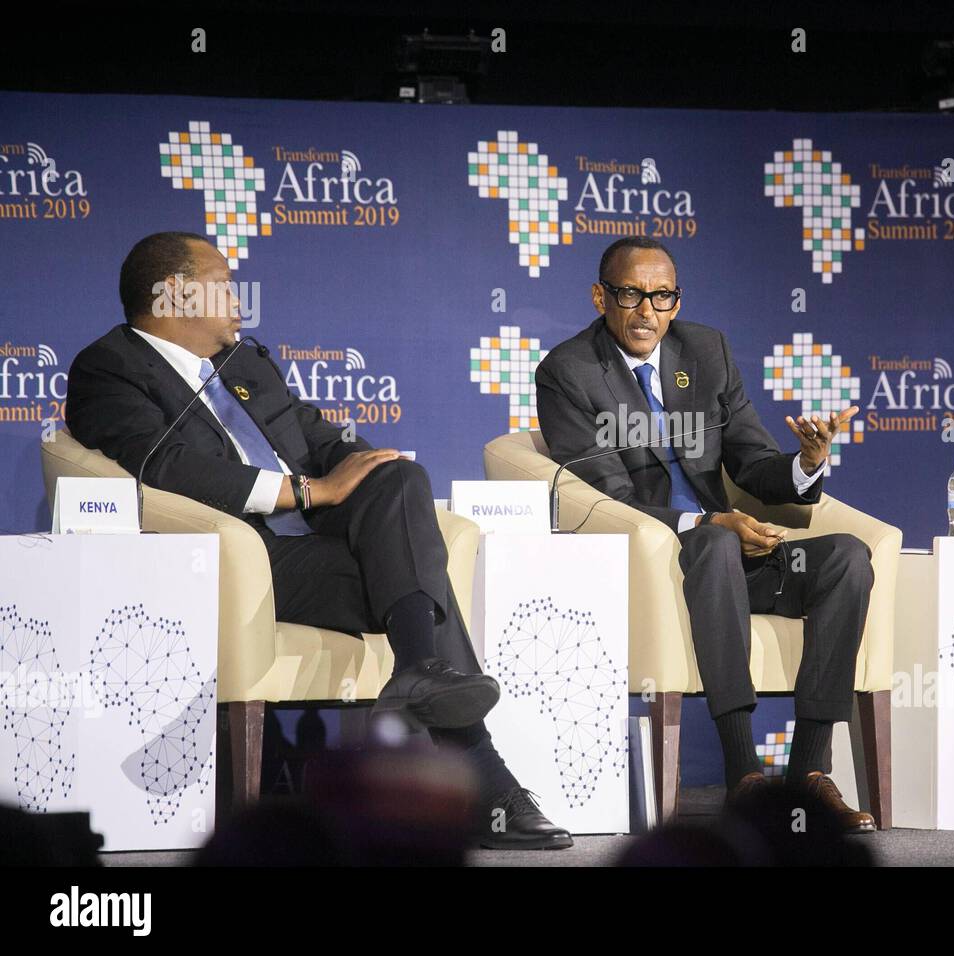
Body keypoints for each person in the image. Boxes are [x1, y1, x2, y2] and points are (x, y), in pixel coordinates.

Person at [66, 232, 571, 850]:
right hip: (241, 556)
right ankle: (485, 785)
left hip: (318, 545)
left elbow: (320, 442)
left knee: (399, 477)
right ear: (173, 294)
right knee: (416, 580)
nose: (237, 296)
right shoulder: (109, 368)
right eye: (223, 281)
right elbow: (167, 466)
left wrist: (368, 466)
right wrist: (306, 493)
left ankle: (418, 670)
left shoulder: (243, 365)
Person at [535, 236, 877, 832]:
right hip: (659, 562)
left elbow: (750, 461)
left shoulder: (707, 350)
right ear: (600, 297)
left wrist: (806, 463)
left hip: (732, 557)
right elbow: (605, 498)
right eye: (631, 294)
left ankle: (809, 774)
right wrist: (705, 523)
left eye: (662, 296)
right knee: (716, 542)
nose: (648, 312)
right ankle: (743, 772)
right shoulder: (568, 373)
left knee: (846, 556)